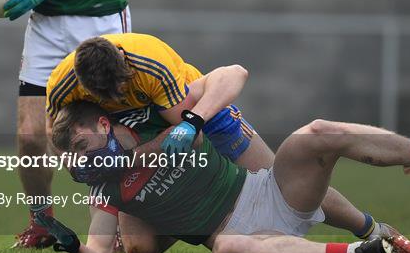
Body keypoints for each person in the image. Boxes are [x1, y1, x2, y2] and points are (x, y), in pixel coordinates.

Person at [41, 98, 410, 253]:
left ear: (103, 123)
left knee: (316, 131)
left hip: (269, 192)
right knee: (226, 249)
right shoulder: (104, 184)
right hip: (238, 232)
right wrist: (69, 244)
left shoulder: (161, 112)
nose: (81, 161)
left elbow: (231, 73)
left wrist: (193, 116)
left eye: (82, 146)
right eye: (72, 158)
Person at [0, 0, 131, 248]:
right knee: (30, 137)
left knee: (109, 133)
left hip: (99, 17)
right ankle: (41, 222)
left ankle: (121, 225)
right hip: (46, 24)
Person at [45, 33, 275, 171]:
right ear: (82, 86)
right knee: (140, 249)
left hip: (197, 119)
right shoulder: (62, 85)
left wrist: (127, 161)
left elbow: (191, 135)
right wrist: (76, 166)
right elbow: (54, 133)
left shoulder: (152, 64)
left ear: (124, 64)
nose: (117, 100)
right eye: (104, 96)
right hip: (143, 133)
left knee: (278, 188)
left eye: (120, 89)